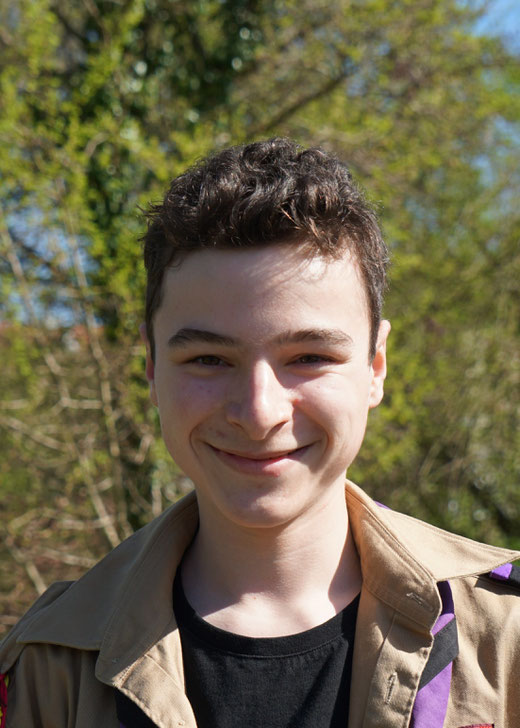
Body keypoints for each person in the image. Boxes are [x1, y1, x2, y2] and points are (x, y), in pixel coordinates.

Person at [0, 138, 519, 728]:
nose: (258, 411)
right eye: (208, 360)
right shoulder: (49, 665)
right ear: (151, 366)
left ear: (375, 367)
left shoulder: (504, 636)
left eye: (309, 357)